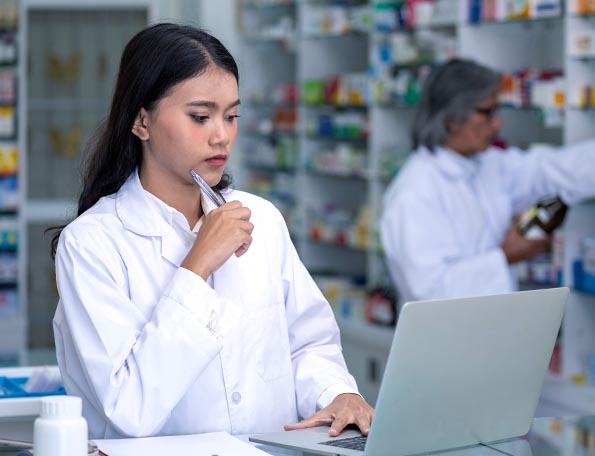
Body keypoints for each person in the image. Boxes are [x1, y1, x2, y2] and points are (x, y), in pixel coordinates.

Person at [51, 23, 373, 440]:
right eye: (200, 117)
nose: (221, 135)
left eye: (232, 115)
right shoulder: (92, 243)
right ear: (141, 122)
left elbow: (309, 343)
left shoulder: (262, 218)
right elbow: (129, 407)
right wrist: (197, 264)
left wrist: (338, 392)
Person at [381, 59, 595, 304]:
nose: (498, 124)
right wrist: (504, 257)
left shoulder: (486, 163)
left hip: (489, 337)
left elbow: (545, 171)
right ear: (453, 120)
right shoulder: (415, 192)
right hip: (438, 351)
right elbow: (430, 295)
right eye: (488, 112)